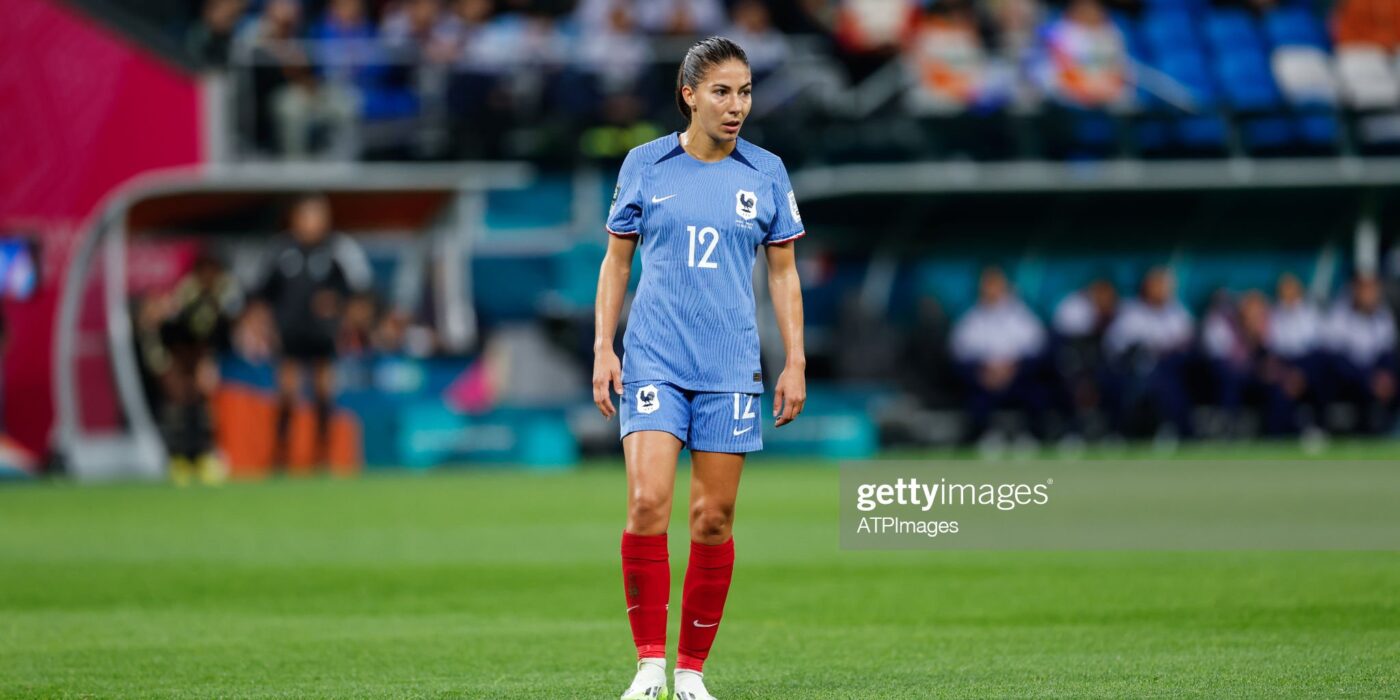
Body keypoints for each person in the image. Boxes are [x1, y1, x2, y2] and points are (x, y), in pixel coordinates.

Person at [593, 37, 806, 700]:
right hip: (655, 357)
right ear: (689, 94)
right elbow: (617, 263)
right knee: (646, 501)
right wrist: (604, 346)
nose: (735, 105)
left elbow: (784, 274)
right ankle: (648, 665)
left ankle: (691, 674)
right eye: (721, 91)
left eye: (744, 91)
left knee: (712, 518)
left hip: (730, 367)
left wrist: (795, 359)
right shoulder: (645, 165)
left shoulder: (765, 172)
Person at [250, 193, 373, 471]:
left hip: (322, 335)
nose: (315, 221)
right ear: (295, 218)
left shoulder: (339, 249)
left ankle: (323, 455)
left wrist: (340, 308)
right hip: (289, 335)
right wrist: (260, 326)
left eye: (320, 214)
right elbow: (261, 295)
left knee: (323, 395)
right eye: (309, 214)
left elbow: (359, 293)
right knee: (287, 394)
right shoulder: (281, 251)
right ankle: (280, 456)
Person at [158, 254, 244, 484]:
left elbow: (221, 332)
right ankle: (179, 460)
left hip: (201, 356)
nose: (210, 277)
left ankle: (204, 457)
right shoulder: (186, 294)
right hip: (177, 355)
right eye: (206, 271)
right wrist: (168, 364)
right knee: (180, 403)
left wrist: (209, 359)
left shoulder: (224, 295)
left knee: (202, 405)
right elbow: (169, 330)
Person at [949, 266, 1049, 442]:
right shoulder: (971, 319)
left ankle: (1032, 435)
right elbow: (960, 354)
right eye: (988, 285)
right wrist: (984, 372)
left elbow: (1038, 349)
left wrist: (1013, 369)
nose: (991, 289)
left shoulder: (1021, 314)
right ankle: (984, 436)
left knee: (1037, 390)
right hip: (984, 380)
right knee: (974, 395)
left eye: (996, 284)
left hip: (1017, 376)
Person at [1103, 267, 1194, 437]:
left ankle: (1178, 431)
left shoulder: (1177, 312)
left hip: (1171, 372)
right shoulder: (1131, 311)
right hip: (1133, 372)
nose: (1162, 291)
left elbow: (1186, 343)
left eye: (1165, 286)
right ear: (1146, 287)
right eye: (1157, 285)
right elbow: (1117, 347)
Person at [1323, 273, 1397, 433]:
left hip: (1375, 378)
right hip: (1348, 380)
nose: (1371, 295)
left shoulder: (1382, 316)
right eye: (1366, 290)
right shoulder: (1339, 315)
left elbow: (1387, 354)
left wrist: (1384, 378)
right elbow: (1337, 360)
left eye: (1374, 290)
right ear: (1355, 291)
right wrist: (1369, 379)